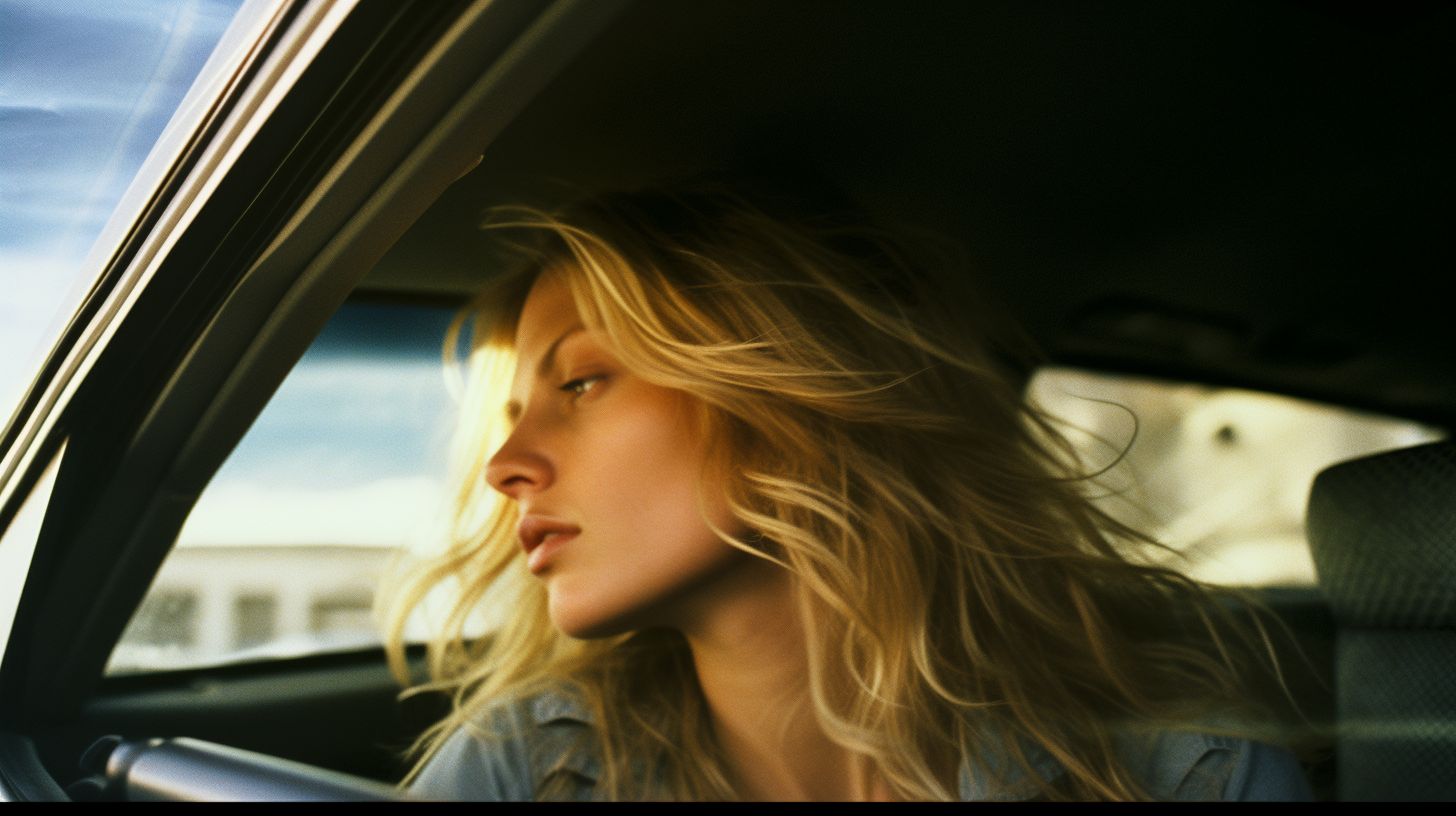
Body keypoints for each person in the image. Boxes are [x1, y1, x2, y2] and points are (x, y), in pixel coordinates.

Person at [379, 181, 1313, 801]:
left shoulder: (1191, 781)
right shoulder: (519, 774)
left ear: (788, 399)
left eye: (579, 383)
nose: (507, 464)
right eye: (512, 410)